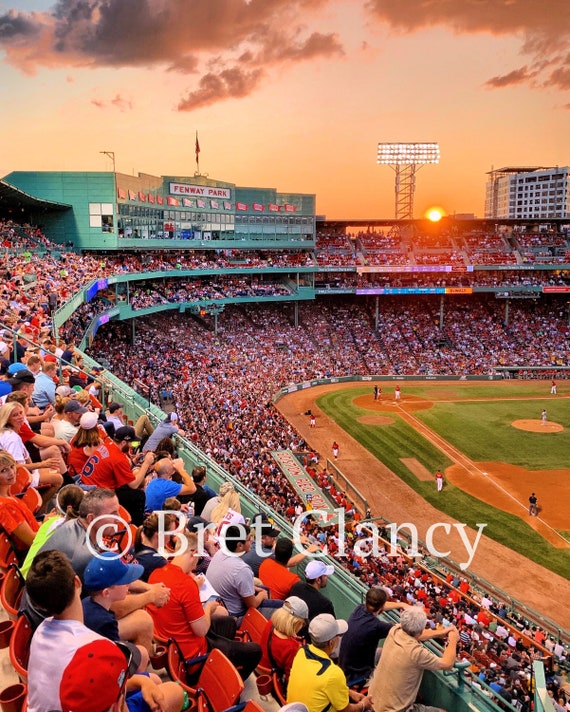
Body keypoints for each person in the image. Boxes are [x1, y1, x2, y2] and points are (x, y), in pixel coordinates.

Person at [26, 550, 183, 712]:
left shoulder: (40, 631)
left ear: (40, 606)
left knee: (152, 680)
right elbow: (119, 705)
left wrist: (141, 682)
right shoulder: (96, 649)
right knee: (175, 692)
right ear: (77, 583)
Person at [147, 528, 262, 681]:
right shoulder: (186, 584)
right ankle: (227, 683)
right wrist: (209, 608)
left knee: (228, 623)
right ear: (193, 553)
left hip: (178, 642)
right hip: (193, 657)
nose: (196, 563)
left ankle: (223, 662)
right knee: (255, 650)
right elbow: (201, 630)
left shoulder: (156, 574)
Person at [368, 606, 461, 712]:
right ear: (421, 630)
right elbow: (447, 663)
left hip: (372, 701)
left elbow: (416, 634)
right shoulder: (416, 652)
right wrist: (453, 639)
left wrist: (441, 632)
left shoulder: (394, 630)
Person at [287, 613, 372, 712]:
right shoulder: (333, 674)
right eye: (338, 635)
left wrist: (350, 692)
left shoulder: (301, 652)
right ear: (331, 643)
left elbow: (322, 686)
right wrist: (363, 705)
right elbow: (346, 710)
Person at [206, 524, 278, 620]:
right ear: (239, 545)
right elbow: (252, 605)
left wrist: (253, 588)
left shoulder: (220, 552)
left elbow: (232, 580)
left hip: (218, 603)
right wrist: (261, 596)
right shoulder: (242, 569)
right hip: (234, 615)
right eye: (248, 539)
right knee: (277, 604)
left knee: (264, 588)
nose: (251, 541)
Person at [339, 587, 410, 684]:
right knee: (394, 658)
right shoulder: (376, 626)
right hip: (358, 675)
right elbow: (407, 629)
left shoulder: (359, 609)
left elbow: (379, 606)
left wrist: (401, 604)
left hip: (344, 665)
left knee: (381, 651)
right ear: (381, 607)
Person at [260, 596, 308, 688]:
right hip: (274, 681)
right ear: (296, 623)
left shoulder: (271, 623)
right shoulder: (292, 647)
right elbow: (290, 679)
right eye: (303, 623)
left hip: (263, 668)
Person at [0, 449, 40, 553]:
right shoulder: (5, 507)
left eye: (12, 467)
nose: (11, 473)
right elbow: (32, 541)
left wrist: (45, 522)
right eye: (3, 470)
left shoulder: (8, 495)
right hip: (33, 554)